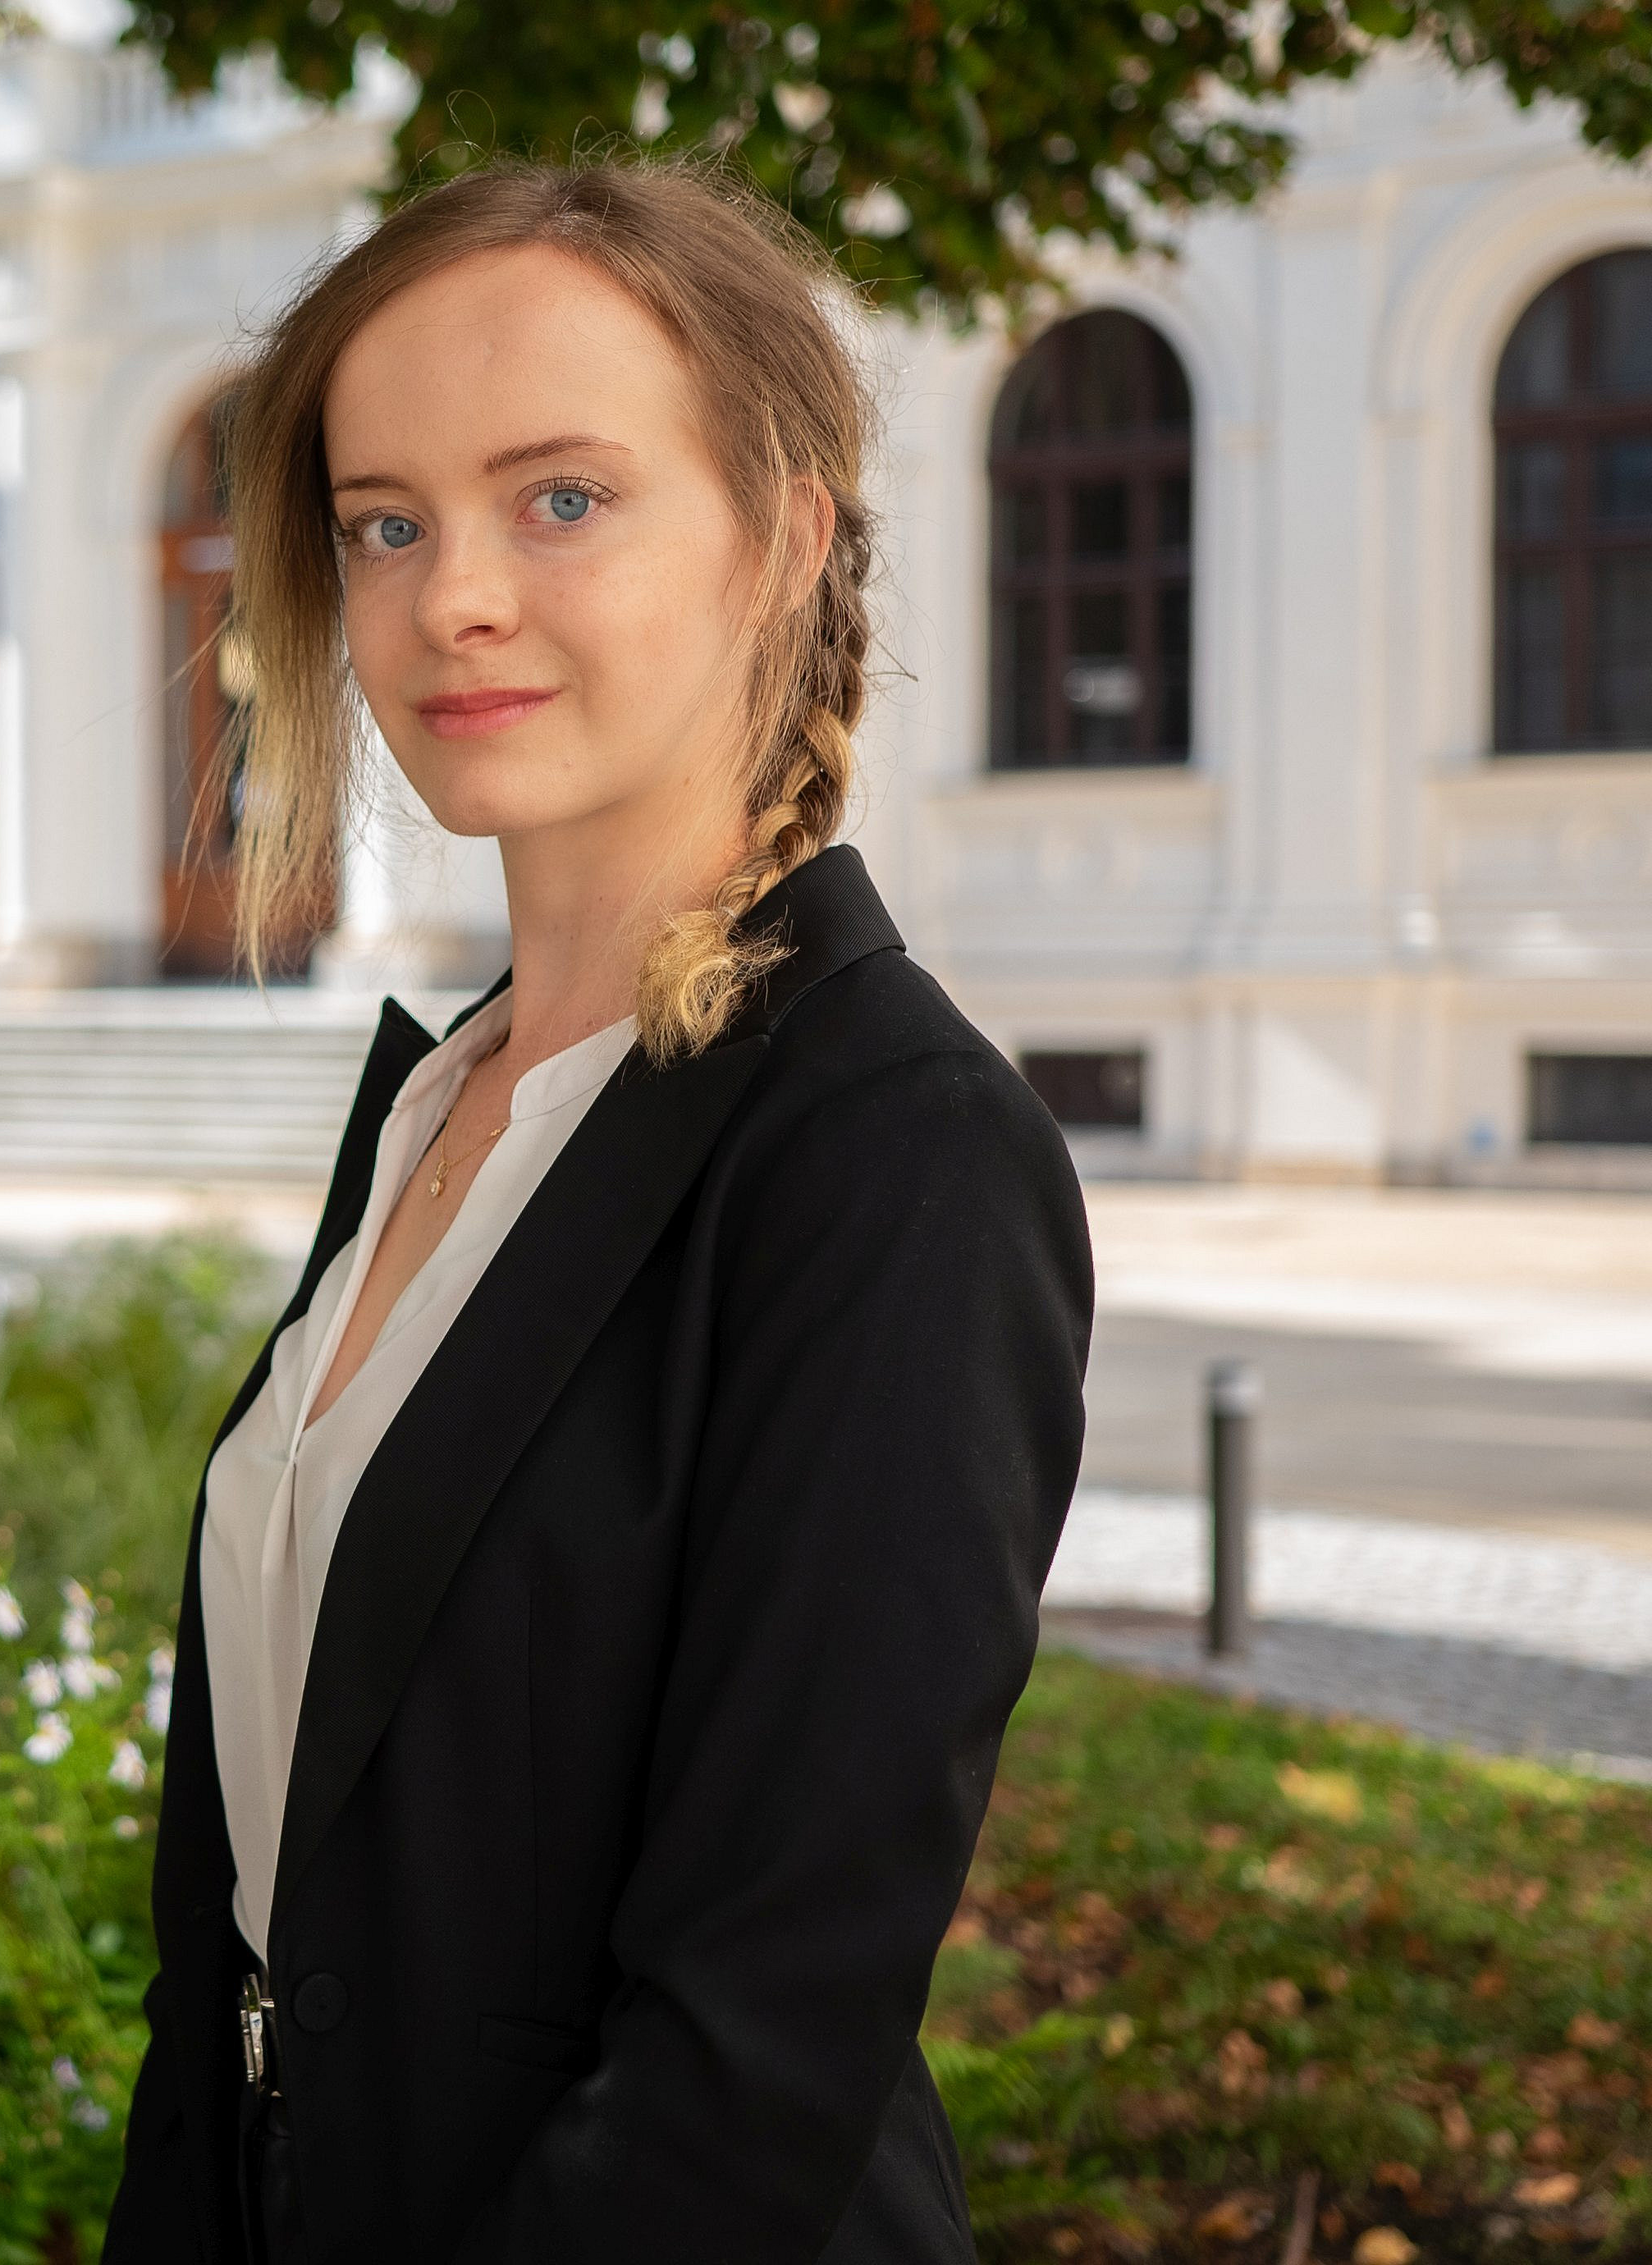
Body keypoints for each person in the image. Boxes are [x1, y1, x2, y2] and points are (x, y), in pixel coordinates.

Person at [101, 157, 1093, 2265]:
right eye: (387, 521)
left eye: (561, 498)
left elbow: (760, 2047)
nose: (452, 593)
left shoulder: (890, 1152)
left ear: (783, 534)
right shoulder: (449, 1103)